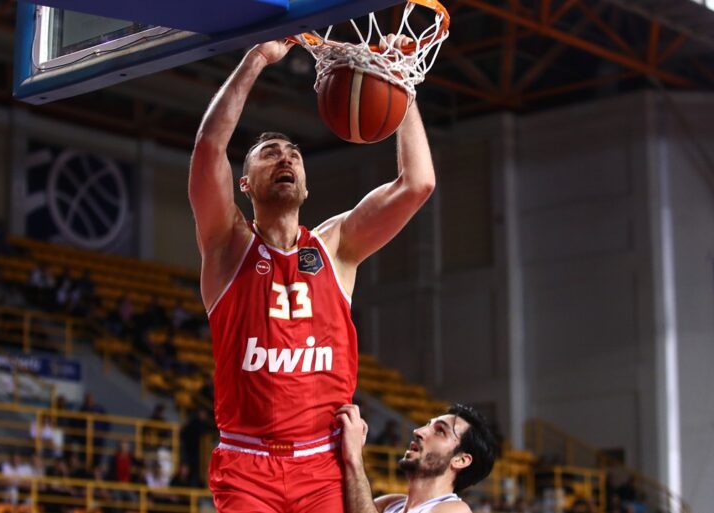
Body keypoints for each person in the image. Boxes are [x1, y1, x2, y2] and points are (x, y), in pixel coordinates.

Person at [189, 34, 436, 513]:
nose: (285, 157)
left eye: (294, 154)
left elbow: (418, 183)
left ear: (305, 185)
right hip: (247, 465)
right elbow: (208, 147)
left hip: (323, 464)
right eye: (270, 153)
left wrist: (400, 83)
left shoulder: (336, 246)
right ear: (245, 184)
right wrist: (257, 58)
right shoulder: (227, 246)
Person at [335, 403, 497, 513]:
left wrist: (354, 457)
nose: (418, 431)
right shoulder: (391, 504)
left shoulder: (455, 510)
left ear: (460, 460)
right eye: (427, 425)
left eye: (440, 431)